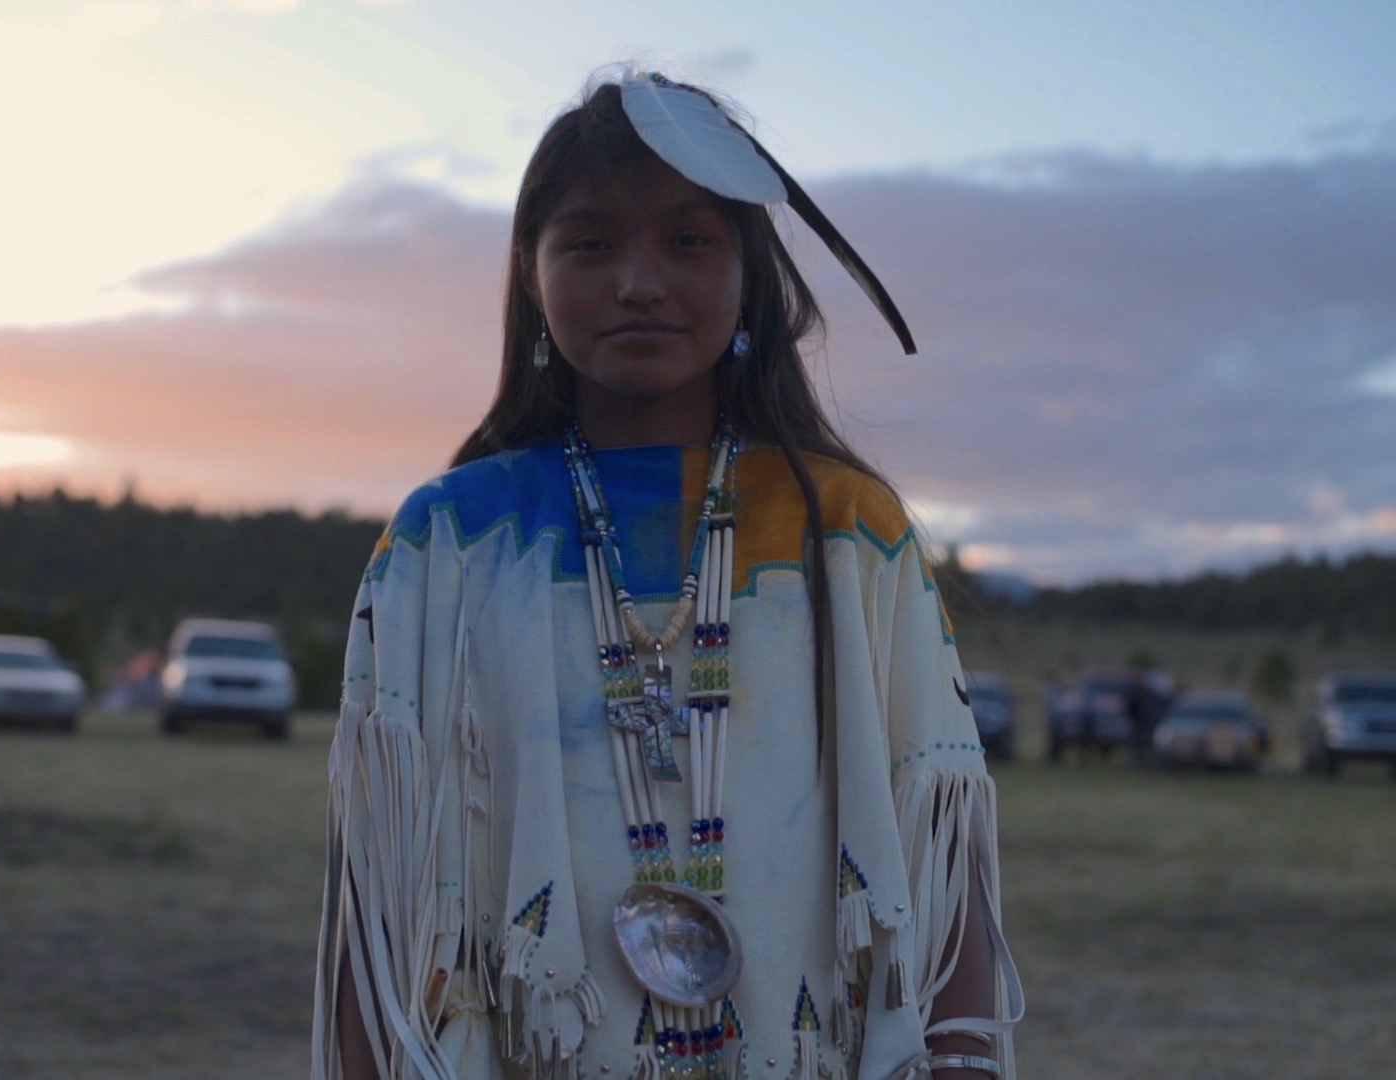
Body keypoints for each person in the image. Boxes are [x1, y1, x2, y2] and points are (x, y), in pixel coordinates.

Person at [313, 70, 1022, 1080]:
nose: (639, 281)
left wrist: (959, 1062)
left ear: (748, 272)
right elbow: (373, 901)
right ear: (530, 272)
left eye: (689, 241)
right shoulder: (450, 543)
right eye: (590, 242)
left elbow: (942, 859)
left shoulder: (851, 533)